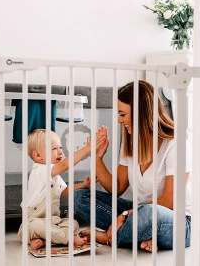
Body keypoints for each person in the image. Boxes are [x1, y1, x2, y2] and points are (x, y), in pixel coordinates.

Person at [74, 80, 191, 251]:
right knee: (79, 197)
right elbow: (117, 187)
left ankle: (109, 237)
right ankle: (139, 236)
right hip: (138, 213)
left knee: (149, 214)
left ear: (140, 113)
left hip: (176, 220)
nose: (119, 120)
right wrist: (97, 158)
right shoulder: (131, 142)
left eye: (122, 114)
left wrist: (125, 215)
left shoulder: (175, 143)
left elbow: (168, 201)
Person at [19, 127, 109, 251]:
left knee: (73, 224)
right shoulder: (39, 170)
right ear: (38, 155)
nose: (60, 152)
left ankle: (44, 240)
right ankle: (68, 238)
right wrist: (87, 148)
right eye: (54, 148)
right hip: (32, 222)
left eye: (60, 147)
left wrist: (83, 185)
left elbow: (66, 191)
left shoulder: (54, 176)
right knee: (36, 225)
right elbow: (65, 165)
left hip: (53, 222)